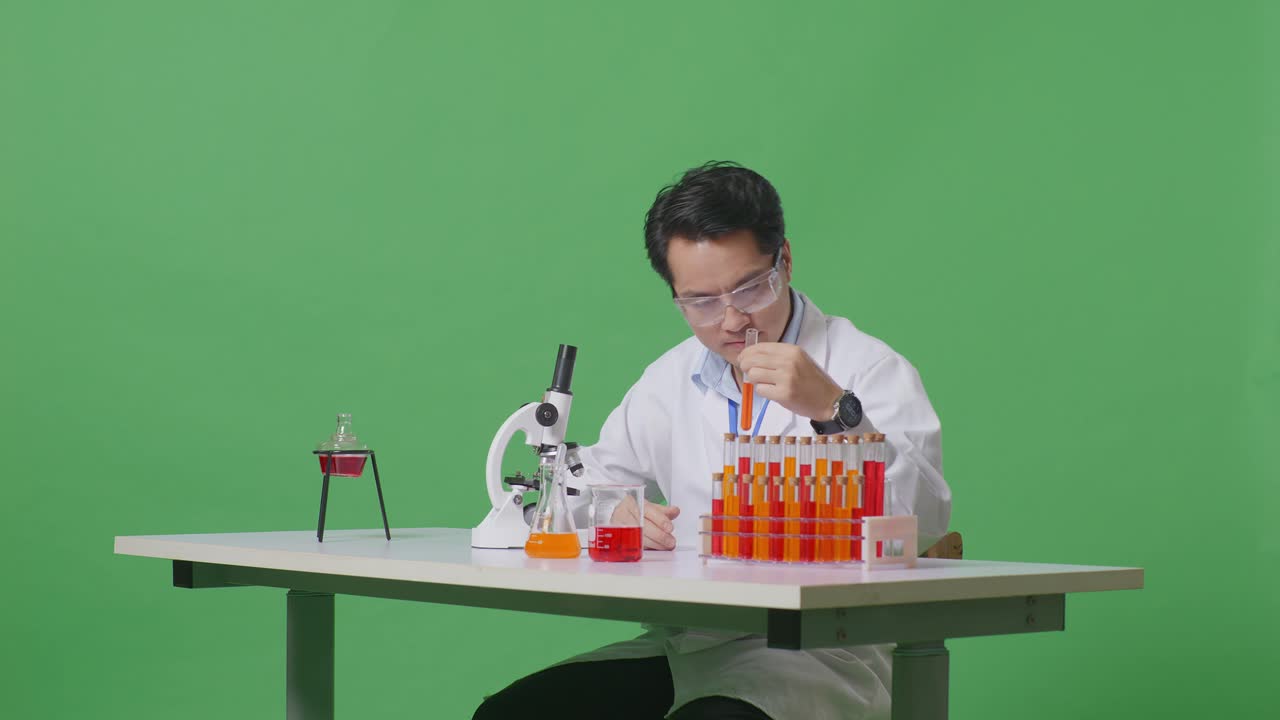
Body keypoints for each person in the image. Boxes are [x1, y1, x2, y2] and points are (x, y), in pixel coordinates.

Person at [474, 161, 951, 720]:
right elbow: (584, 484)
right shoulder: (670, 378)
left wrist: (833, 412)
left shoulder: (866, 368)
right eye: (700, 301)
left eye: (749, 288)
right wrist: (615, 511)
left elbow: (922, 524)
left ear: (785, 261)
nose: (729, 320)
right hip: (690, 645)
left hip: (823, 653)